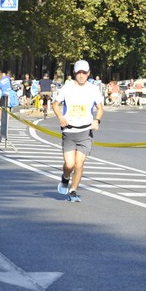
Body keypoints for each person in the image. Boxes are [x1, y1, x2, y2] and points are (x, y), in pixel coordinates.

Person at [53, 60, 104, 203]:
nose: (81, 75)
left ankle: (73, 190)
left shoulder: (93, 89)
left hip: (85, 132)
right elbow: (55, 104)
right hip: (69, 131)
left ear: (89, 73)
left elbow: (100, 108)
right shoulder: (67, 87)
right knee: (69, 165)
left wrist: (97, 120)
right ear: (74, 73)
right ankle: (65, 178)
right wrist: (60, 117)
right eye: (79, 72)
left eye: (84, 72)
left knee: (79, 164)